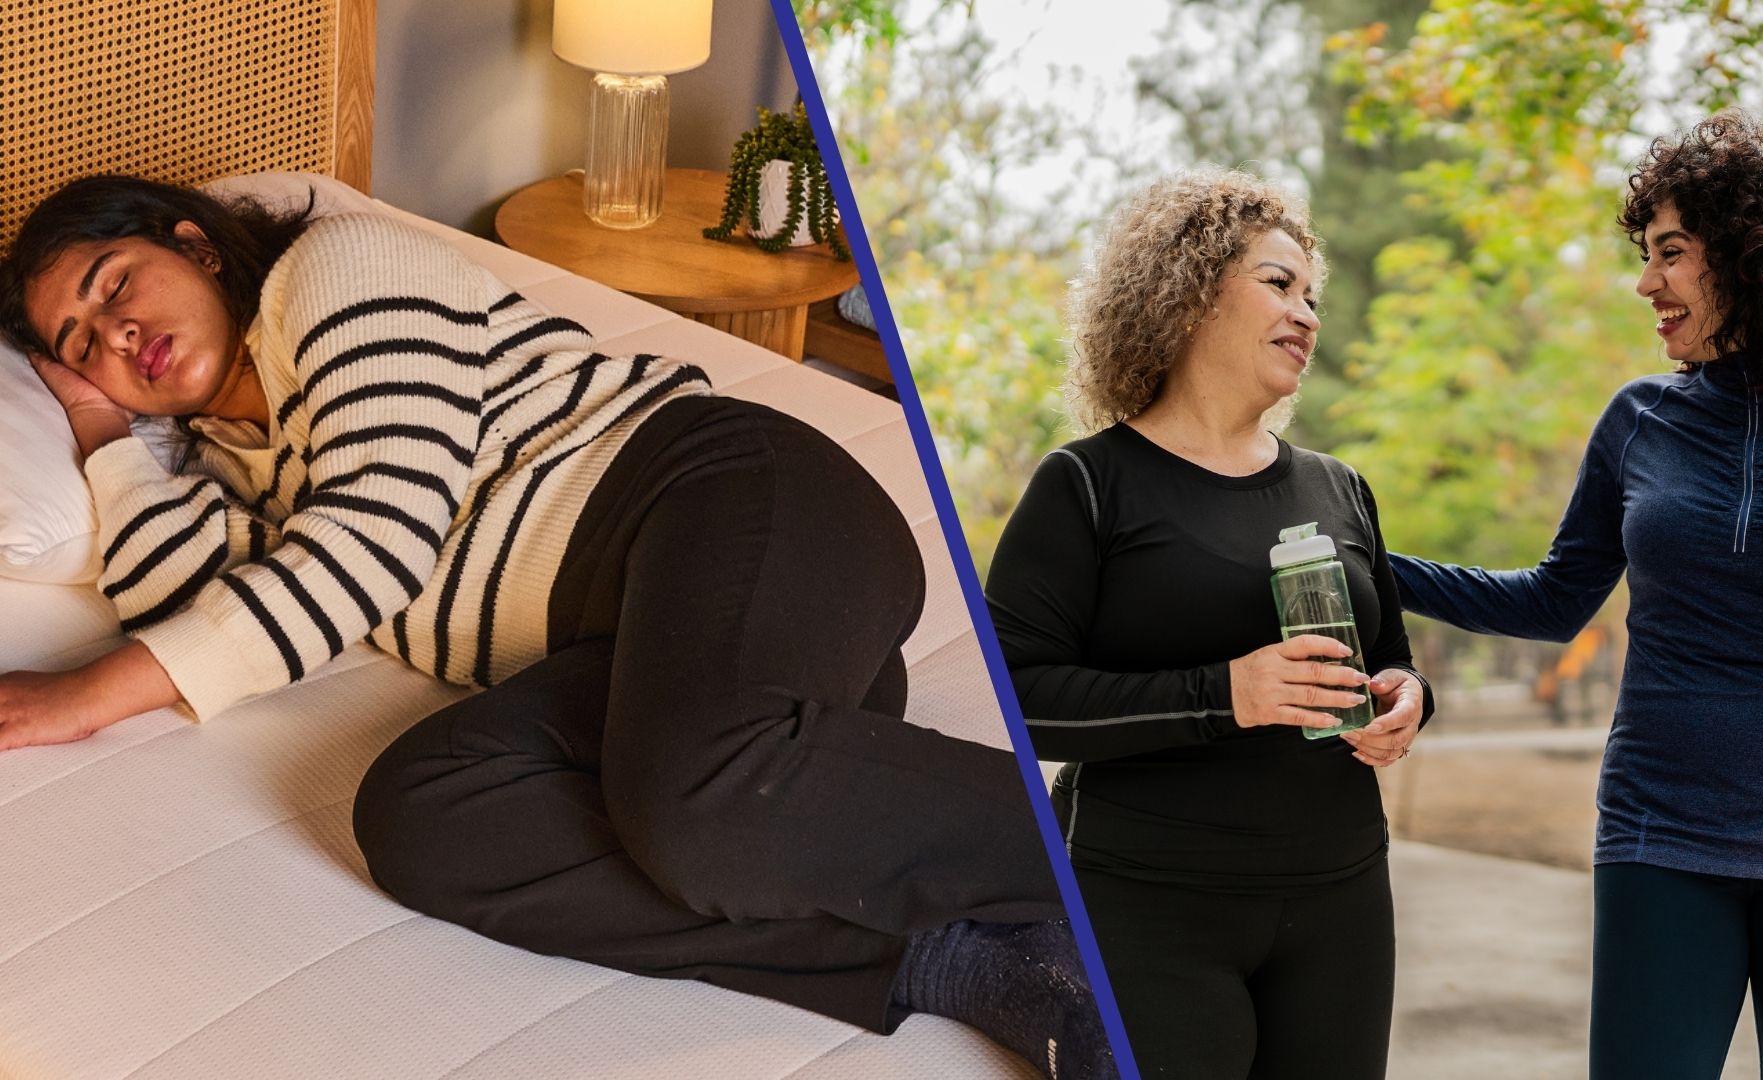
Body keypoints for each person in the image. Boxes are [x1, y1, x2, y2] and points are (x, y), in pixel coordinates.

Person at [0, 175, 1115, 1080]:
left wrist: (84, 696)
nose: (118, 334)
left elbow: (378, 538)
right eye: (81, 341)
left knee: (698, 797)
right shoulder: (233, 462)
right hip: (638, 654)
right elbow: (183, 601)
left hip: (726, 499)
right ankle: (976, 962)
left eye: (116, 284)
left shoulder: (333, 273)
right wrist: (105, 439)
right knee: (423, 814)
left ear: (195, 245)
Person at [1389, 112, 1763, 1080]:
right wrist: (1375, 566)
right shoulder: (1641, 420)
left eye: (1670, 252)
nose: (1646, 282)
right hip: (1661, 833)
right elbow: (1554, 600)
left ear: (1751, 255)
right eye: (1646, 254)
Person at [984, 165, 1433, 1080]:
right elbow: (1018, 700)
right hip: (1150, 907)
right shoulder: (1087, 485)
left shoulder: (1340, 488)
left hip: (1342, 902)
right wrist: (1224, 694)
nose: (1307, 314)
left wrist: (1407, 700)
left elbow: (1392, 658)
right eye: (1279, 284)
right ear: (1188, 295)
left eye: (1313, 296)